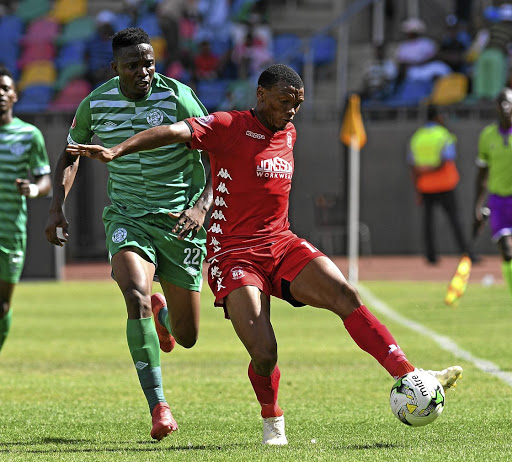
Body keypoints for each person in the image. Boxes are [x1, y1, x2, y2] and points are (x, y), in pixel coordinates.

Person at [66, 64, 463, 446]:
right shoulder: (228, 126)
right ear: (260, 95)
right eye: (283, 101)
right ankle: (272, 417)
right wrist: (118, 150)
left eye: (297, 104)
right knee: (264, 351)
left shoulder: (288, 132)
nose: (290, 111)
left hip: (281, 243)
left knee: (346, 294)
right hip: (233, 255)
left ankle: (410, 376)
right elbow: (172, 131)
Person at [44, 27, 213, 441]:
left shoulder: (178, 96)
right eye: (134, 65)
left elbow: (218, 150)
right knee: (134, 294)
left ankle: (164, 316)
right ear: (115, 67)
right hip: (127, 217)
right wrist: (56, 207)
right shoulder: (95, 104)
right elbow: (70, 152)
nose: (144, 71)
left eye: (149, 62)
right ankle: (159, 407)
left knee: (188, 336)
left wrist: (202, 205)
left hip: (180, 222)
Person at [0, 65, 51, 353]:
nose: (0, 93)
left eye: (5, 88)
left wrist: (32, 189)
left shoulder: (29, 135)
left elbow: (44, 179)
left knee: (2, 305)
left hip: (10, 232)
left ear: (15, 96)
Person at [408, 105, 472, 265]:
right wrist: (431, 168)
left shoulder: (417, 136)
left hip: (425, 186)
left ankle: (430, 256)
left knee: (428, 223)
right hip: (446, 184)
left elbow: (413, 166)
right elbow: (446, 159)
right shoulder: (444, 135)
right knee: (455, 220)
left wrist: (418, 187)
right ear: (437, 117)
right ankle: (467, 254)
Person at [474, 87, 512, 298]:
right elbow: (481, 175)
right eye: (501, 103)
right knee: (506, 251)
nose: (505, 107)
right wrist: (477, 206)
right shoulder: (487, 135)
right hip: (498, 201)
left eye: (508, 102)